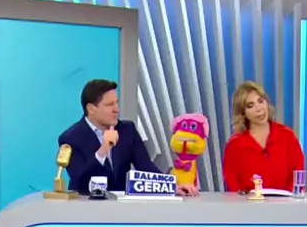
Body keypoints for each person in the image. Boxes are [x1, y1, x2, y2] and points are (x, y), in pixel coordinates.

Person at [58, 79, 198, 196]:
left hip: (122, 209)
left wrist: (172, 186)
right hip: (86, 209)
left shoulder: (127, 130)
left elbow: (145, 167)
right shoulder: (71, 138)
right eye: (109, 104)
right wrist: (103, 150)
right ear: (91, 108)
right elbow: (81, 183)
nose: (116, 109)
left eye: (116, 102)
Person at [223, 80, 305, 192]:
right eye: (250, 106)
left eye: (261, 101)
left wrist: (288, 200)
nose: (259, 109)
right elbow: (233, 184)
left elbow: (298, 172)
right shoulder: (235, 145)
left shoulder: (287, 136)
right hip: (249, 202)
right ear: (243, 113)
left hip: (286, 201)